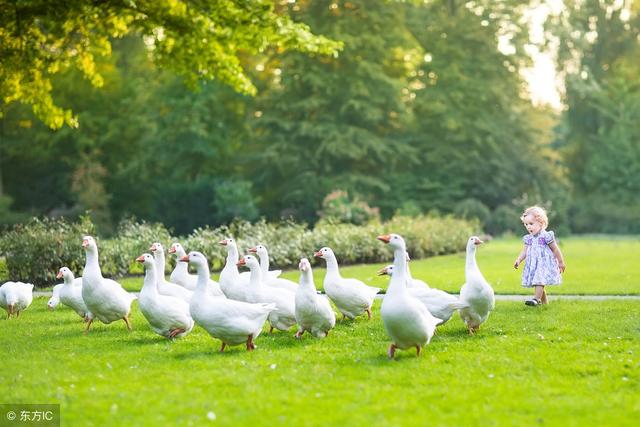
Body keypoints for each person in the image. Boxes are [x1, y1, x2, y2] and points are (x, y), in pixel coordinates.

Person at [513, 206, 566, 306]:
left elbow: (555, 249)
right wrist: (519, 260)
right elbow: (525, 251)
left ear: (541, 223)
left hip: (544, 263)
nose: (528, 227)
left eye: (531, 224)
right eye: (526, 224)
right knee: (538, 282)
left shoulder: (546, 236)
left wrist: (561, 262)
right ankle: (545, 304)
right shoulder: (528, 238)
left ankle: (536, 300)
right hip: (534, 264)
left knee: (539, 280)